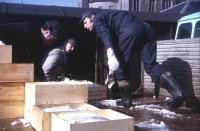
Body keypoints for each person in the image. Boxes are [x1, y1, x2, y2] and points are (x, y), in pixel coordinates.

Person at [80, 10, 184, 109]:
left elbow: (105, 34)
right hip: (147, 29)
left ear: (92, 17)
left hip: (130, 29)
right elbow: (113, 40)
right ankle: (178, 94)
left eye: (85, 22)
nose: (85, 26)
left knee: (120, 64)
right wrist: (111, 71)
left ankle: (125, 100)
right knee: (151, 66)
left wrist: (110, 53)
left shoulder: (97, 19)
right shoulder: (110, 18)